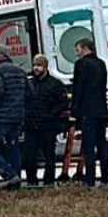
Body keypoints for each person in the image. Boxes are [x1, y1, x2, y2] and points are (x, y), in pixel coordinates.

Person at [0, 45, 27, 190]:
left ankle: (9, 175)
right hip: (18, 117)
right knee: (13, 147)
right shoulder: (21, 71)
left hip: (2, 117)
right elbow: (30, 93)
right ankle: (16, 180)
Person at [71, 38, 108, 187]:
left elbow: (78, 87)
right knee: (102, 144)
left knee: (88, 146)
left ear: (85, 48)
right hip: (101, 109)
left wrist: (74, 109)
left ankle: (90, 179)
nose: (77, 54)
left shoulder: (81, 65)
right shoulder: (101, 64)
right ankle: (106, 177)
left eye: (78, 50)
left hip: (87, 110)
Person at [23, 54, 67, 186]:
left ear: (46, 67)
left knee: (49, 156)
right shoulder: (29, 83)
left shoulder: (55, 84)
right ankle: (32, 181)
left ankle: (49, 181)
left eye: (39, 65)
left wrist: (51, 114)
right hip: (31, 125)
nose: (36, 68)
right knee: (30, 156)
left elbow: (63, 102)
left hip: (48, 126)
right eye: (35, 65)